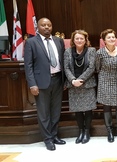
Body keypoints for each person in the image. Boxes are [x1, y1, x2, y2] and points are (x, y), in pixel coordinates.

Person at [24, 18, 66, 151]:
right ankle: (47, 139)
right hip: (41, 83)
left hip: (58, 80)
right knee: (44, 113)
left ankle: (54, 135)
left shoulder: (58, 41)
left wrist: (65, 80)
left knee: (55, 111)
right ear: (38, 27)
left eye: (49, 25)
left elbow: (63, 61)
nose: (47, 27)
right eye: (43, 25)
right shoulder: (31, 42)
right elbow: (28, 65)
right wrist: (32, 84)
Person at [64, 30, 97, 144]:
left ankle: (87, 132)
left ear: (85, 40)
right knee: (77, 110)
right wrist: (73, 80)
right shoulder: (68, 52)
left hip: (87, 84)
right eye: (77, 38)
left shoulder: (92, 51)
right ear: (73, 40)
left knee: (88, 110)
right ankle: (81, 132)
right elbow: (66, 68)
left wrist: (80, 80)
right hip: (73, 85)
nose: (79, 40)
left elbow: (92, 68)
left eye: (81, 38)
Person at [95, 29, 117, 143]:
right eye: (109, 37)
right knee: (106, 107)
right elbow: (97, 68)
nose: (111, 39)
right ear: (104, 40)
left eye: (113, 37)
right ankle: (110, 131)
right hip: (105, 82)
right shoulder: (100, 53)